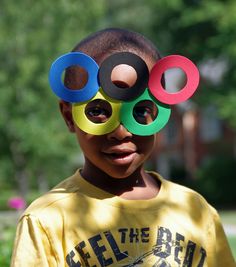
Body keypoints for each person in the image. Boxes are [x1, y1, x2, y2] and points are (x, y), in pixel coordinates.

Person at [11, 28, 235, 267]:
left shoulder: (196, 210)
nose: (121, 132)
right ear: (69, 116)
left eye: (139, 111)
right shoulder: (47, 219)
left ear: (160, 114)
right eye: (97, 111)